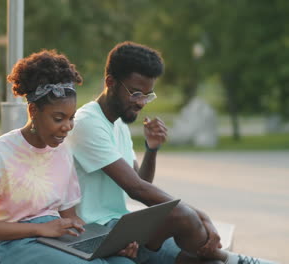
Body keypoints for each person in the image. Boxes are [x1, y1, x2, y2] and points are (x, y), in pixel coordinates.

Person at [66, 41, 276, 264]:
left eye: (148, 95)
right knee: (183, 216)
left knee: (203, 261)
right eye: (135, 93)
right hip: (98, 232)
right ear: (110, 82)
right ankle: (227, 256)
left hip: (121, 224)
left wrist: (152, 149)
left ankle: (222, 258)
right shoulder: (87, 123)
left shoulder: (118, 123)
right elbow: (136, 189)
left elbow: (140, 181)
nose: (141, 103)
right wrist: (200, 214)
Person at [0, 50, 139, 264]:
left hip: (56, 240)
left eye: (71, 118)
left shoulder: (62, 151)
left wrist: (107, 244)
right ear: (34, 110)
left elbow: (70, 218)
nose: (67, 127)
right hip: (15, 246)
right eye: (58, 118)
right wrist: (39, 228)